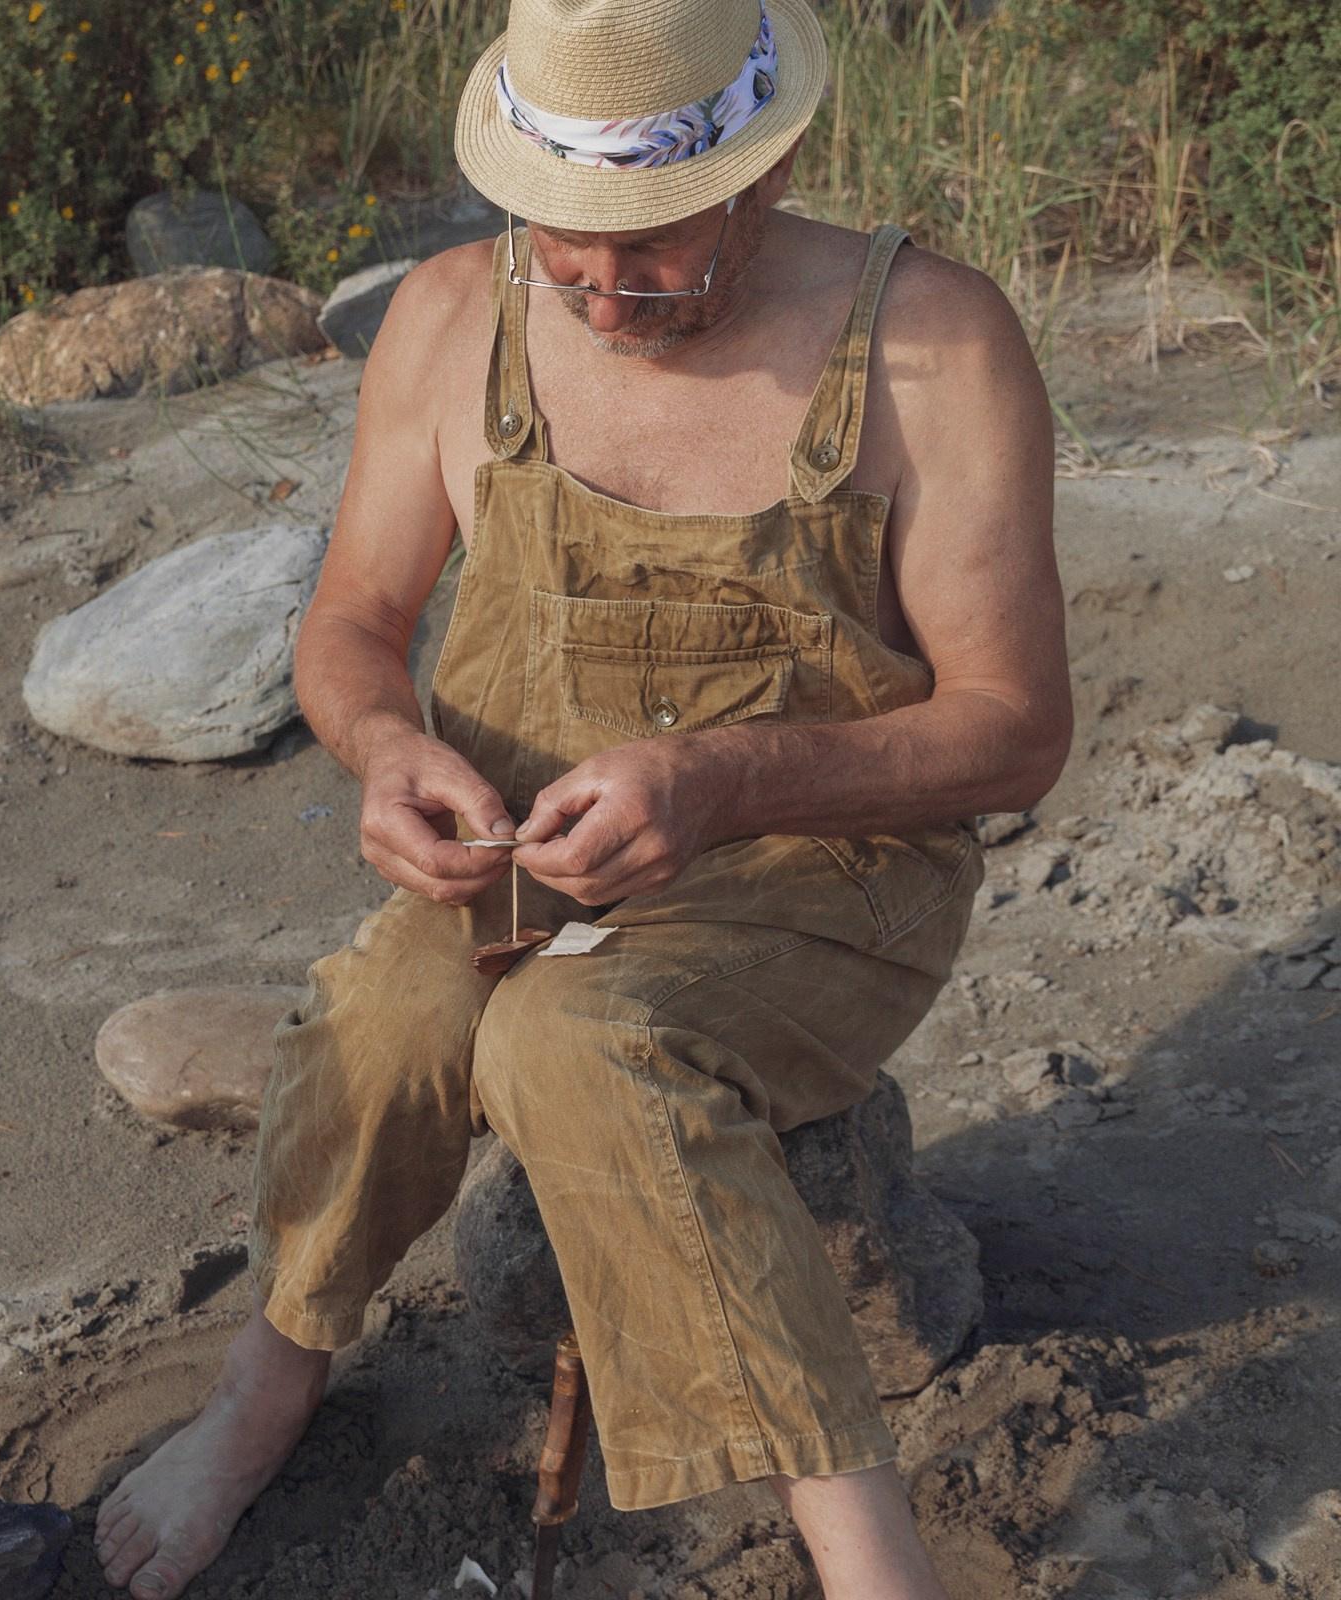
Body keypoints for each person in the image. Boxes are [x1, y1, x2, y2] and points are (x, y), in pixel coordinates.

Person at [94, 0, 1070, 1595]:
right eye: (568, 252)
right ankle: (253, 1408)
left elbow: (1019, 732)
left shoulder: (933, 342)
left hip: (823, 861)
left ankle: (871, 1562)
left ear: (767, 175)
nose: (607, 298)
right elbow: (348, 626)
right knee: (382, 1025)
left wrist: (728, 772)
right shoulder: (445, 317)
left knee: (582, 1038)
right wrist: (385, 750)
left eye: (657, 252)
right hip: (520, 848)